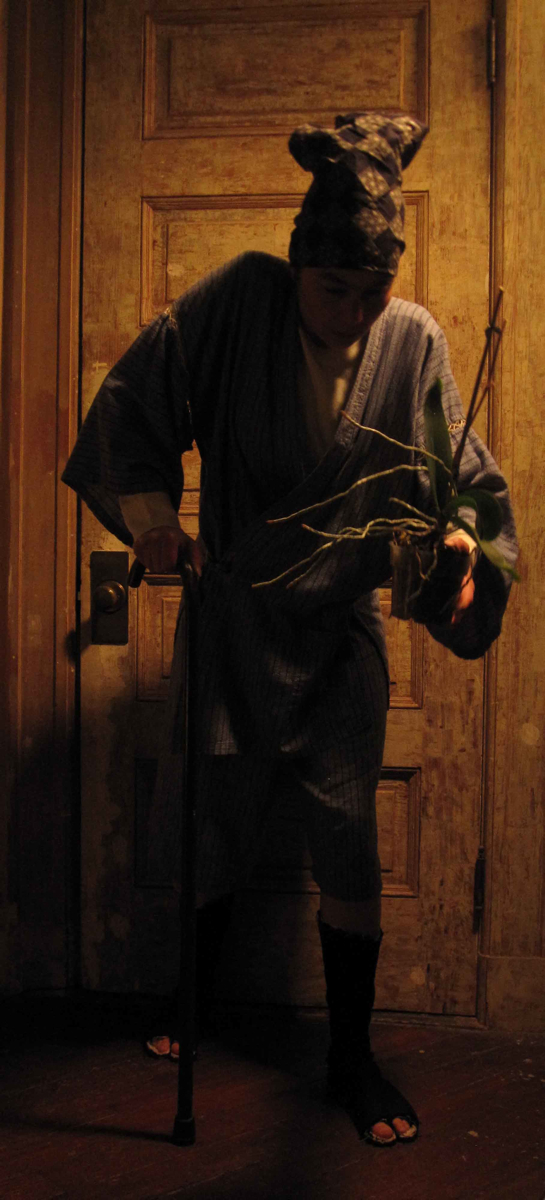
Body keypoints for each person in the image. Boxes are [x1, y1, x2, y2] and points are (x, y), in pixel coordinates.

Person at [63, 112, 518, 1146]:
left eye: (371, 294)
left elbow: (459, 477)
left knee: (347, 837)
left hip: (336, 634)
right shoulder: (235, 300)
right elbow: (134, 405)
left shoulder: (415, 341)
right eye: (332, 291)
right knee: (210, 813)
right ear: (297, 264)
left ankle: (350, 1057)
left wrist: (456, 547)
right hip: (232, 616)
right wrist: (154, 523)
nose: (352, 316)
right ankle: (193, 1001)